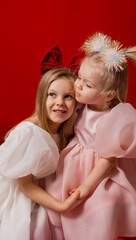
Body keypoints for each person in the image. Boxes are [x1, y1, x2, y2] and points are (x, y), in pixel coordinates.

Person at [45, 33, 136, 240]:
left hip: (100, 172)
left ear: (109, 94)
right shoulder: (80, 104)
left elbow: (108, 161)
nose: (78, 84)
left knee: (101, 209)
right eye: (79, 77)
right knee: (57, 196)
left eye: (87, 85)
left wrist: (86, 188)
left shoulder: (114, 119)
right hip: (73, 164)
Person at [0, 66, 81, 240]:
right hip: (20, 194)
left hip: (41, 188)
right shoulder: (29, 133)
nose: (60, 102)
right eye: (52, 94)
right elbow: (26, 185)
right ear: (41, 97)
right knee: (36, 225)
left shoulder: (66, 127)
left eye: (68, 96)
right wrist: (60, 206)